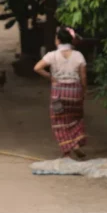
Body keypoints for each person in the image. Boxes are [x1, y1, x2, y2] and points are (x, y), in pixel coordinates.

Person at [34, 27, 88, 159]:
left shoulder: (52, 55)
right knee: (75, 119)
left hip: (59, 93)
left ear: (58, 40)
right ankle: (75, 143)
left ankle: (68, 150)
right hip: (75, 92)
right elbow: (84, 78)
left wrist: (50, 77)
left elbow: (37, 68)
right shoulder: (78, 55)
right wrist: (83, 92)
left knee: (59, 122)